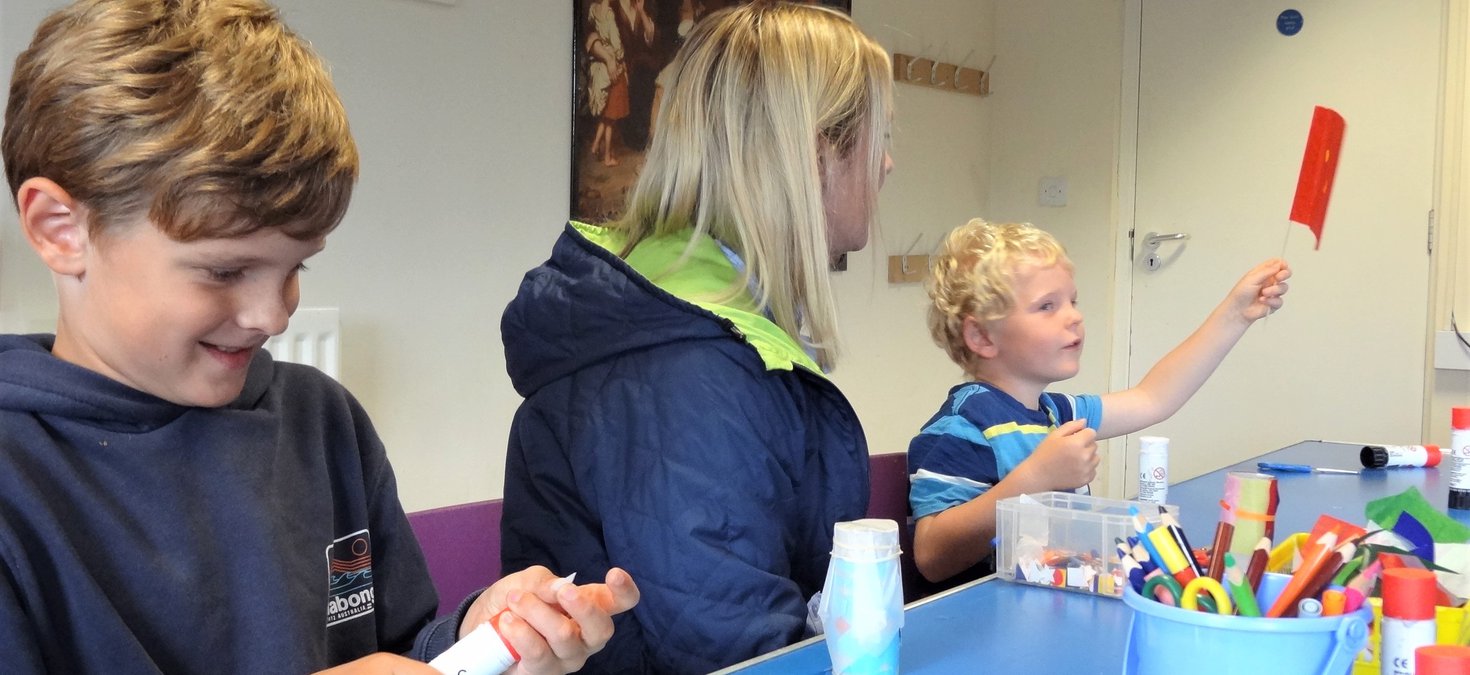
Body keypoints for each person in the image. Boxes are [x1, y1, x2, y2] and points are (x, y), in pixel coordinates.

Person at [0, 1, 638, 673]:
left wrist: (479, 642)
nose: (273, 316)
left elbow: (399, 649)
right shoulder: (20, 483)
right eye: (225, 270)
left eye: (295, 267)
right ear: (60, 230)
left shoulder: (325, 423)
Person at [499, 2, 893, 672]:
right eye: (878, 138)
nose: (887, 163)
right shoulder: (690, 370)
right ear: (815, 154)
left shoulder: (698, 324)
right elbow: (731, 648)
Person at [908, 219, 1291, 586]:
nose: (1074, 316)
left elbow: (1153, 398)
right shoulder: (962, 426)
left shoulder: (1058, 413)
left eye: (1072, 301)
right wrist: (1036, 479)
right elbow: (931, 556)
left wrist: (1235, 315)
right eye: (1047, 306)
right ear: (982, 337)